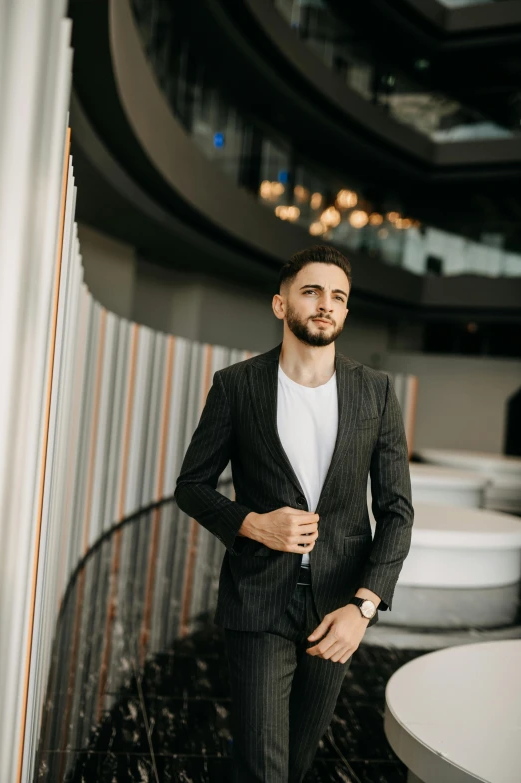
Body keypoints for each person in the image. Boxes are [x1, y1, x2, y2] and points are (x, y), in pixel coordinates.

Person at [174, 244, 414, 782]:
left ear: (346, 312)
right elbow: (191, 486)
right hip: (259, 597)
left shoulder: (375, 393)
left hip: (338, 608)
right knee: (264, 765)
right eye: (311, 292)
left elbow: (397, 511)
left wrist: (364, 608)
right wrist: (252, 523)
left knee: (297, 762)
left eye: (337, 297)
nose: (325, 304)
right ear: (281, 305)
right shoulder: (237, 385)